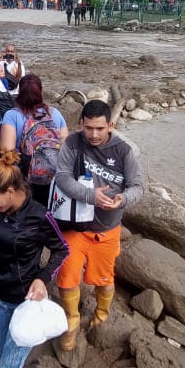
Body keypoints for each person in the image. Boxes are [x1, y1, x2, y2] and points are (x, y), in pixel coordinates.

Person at [51, 99, 146, 353]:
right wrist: (91, 196)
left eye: (100, 129)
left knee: (103, 280)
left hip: (107, 229)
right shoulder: (72, 142)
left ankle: (101, 314)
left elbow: (138, 186)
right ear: (81, 123)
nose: (93, 134)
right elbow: (61, 177)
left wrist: (122, 199)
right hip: (74, 226)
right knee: (67, 277)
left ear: (111, 126)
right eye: (89, 128)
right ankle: (72, 322)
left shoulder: (123, 151)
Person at [0, 150, 69, 368]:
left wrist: (42, 279)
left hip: (24, 303)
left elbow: (62, 249)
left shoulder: (39, 217)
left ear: (10, 191)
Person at [0, 74, 68, 206]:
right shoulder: (54, 113)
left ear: (19, 92)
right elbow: (65, 143)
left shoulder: (12, 115)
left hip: (27, 178)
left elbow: (6, 151)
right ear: (41, 92)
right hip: (55, 176)